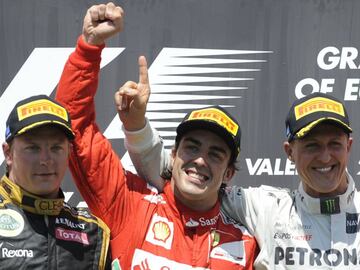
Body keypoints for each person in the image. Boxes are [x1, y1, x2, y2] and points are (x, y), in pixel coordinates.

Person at [55, 2, 258, 269]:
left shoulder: (245, 243)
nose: (199, 160)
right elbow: (74, 126)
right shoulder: (129, 204)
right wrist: (89, 48)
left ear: (229, 173)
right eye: (192, 147)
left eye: (215, 154)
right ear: (173, 156)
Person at [128, 91, 360, 269]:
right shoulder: (266, 208)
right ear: (290, 152)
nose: (325, 156)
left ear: (348, 147)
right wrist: (137, 127)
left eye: (335, 144)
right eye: (312, 145)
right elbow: (182, 175)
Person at [0, 95, 111, 269]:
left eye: (56, 148)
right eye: (33, 148)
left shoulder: (92, 232)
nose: (46, 160)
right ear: (8, 154)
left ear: (69, 152)